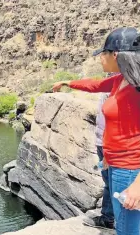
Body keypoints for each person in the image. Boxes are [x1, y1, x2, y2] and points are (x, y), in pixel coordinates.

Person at [52, 27, 140, 235]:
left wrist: (138, 184)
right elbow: (96, 84)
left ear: (116, 55)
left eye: (104, 53)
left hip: (130, 171)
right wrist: (67, 82)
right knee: (125, 225)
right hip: (117, 166)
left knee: (128, 229)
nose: (100, 58)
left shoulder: (136, 88)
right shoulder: (121, 80)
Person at [83, 91, 114, 229]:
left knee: (113, 183)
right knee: (109, 182)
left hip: (109, 145)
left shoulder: (123, 80)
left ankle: (109, 219)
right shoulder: (113, 80)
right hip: (103, 143)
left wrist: (108, 149)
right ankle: (109, 216)